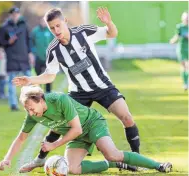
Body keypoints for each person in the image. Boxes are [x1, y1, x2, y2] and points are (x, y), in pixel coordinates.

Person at [13, 7, 142, 172]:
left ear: (65, 22)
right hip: (78, 93)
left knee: (127, 117)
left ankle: (136, 158)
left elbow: (112, 34)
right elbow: (50, 75)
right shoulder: (53, 50)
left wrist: (109, 23)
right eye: (52, 28)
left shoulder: (84, 32)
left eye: (58, 25)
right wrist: (30, 79)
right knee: (58, 125)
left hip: (102, 86)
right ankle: (39, 159)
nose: (56, 30)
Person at [0, 86, 172, 174]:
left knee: (112, 152)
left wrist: (54, 145)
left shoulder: (59, 100)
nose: (30, 112)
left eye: (31, 107)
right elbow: (20, 138)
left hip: (91, 124)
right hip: (76, 135)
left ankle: (158, 165)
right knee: (73, 169)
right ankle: (112, 164)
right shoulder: (33, 115)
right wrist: (7, 159)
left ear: (40, 99)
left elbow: (77, 128)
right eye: (26, 109)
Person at [0, 6, 34, 111]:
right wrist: (8, 42)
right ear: (10, 15)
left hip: (23, 58)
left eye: (17, 14)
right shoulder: (4, 27)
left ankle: (31, 103)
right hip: (12, 58)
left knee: (28, 81)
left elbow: (28, 41)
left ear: (19, 15)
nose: (15, 16)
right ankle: (13, 104)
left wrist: (30, 54)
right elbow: (0, 43)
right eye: (13, 14)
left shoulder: (24, 26)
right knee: (12, 82)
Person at [31, 18, 54, 93]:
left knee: (48, 75)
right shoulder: (35, 31)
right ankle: (38, 92)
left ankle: (48, 92)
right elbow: (31, 42)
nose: (44, 23)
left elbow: (54, 42)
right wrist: (34, 52)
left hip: (48, 57)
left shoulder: (50, 31)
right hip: (38, 57)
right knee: (38, 75)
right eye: (42, 21)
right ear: (40, 22)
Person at [170, 11, 188, 91]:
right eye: (185, 18)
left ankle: (187, 82)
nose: (186, 19)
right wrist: (173, 40)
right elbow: (177, 35)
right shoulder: (180, 27)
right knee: (183, 66)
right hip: (181, 48)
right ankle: (185, 83)